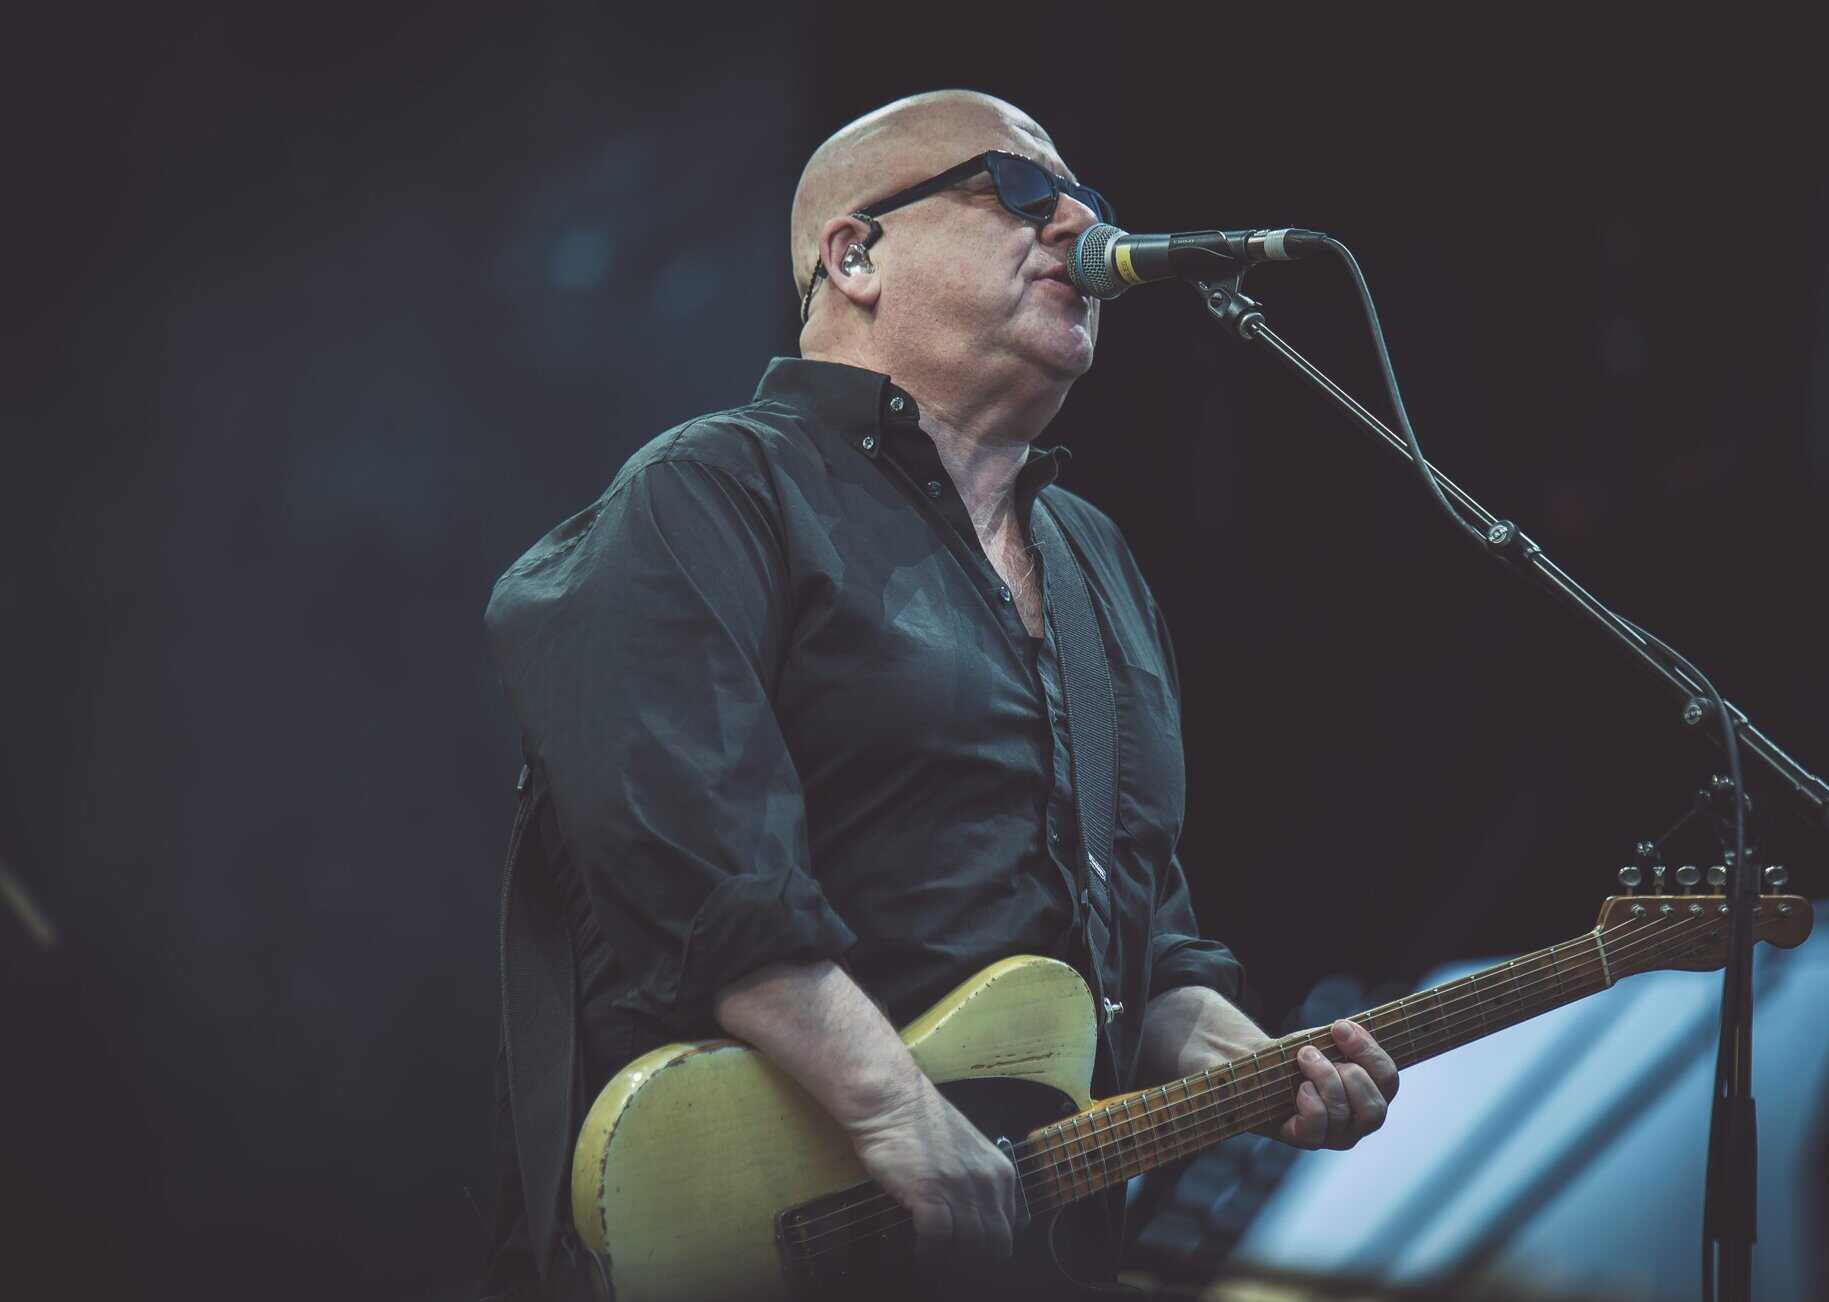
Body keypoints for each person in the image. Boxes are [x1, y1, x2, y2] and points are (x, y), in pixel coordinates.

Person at [479, 89, 1398, 1298]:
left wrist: (1252, 1063)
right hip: (753, 1240)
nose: (1077, 222)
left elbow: (1135, 936)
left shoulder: (1091, 559)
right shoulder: (711, 491)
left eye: (1085, 197)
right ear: (854, 254)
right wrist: (892, 1110)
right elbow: (694, 864)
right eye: (1017, 188)